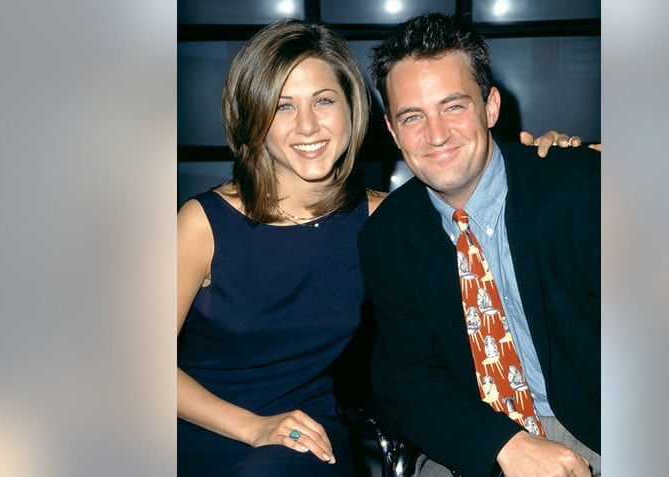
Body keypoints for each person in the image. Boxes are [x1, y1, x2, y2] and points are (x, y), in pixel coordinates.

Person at [177, 18, 581, 477]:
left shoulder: (384, 221)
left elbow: (478, 194)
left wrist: (549, 157)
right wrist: (252, 427)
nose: (307, 125)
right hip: (201, 427)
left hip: (304, 438)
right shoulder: (205, 223)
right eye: (283, 106)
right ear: (254, 118)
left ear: (353, 109)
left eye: (323, 100)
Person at [358, 13, 600, 477]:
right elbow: (408, 377)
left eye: (453, 106)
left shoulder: (580, 187)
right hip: (477, 436)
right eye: (413, 117)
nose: (436, 135)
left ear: (490, 107)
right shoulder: (387, 236)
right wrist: (504, 443)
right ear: (391, 130)